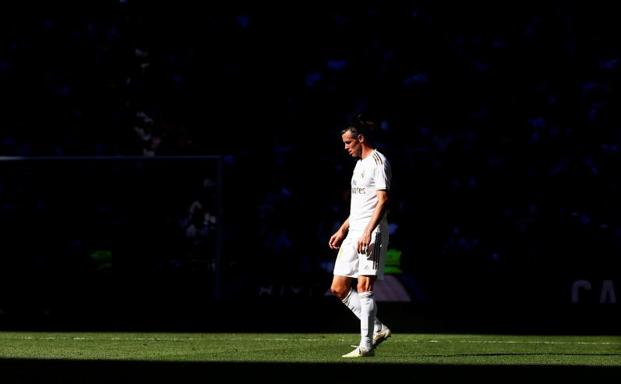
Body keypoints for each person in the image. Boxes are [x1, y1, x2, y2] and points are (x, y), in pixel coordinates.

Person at [328, 115, 393, 358]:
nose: (345, 147)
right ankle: (377, 328)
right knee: (338, 287)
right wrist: (343, 228)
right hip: (355, 230)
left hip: (371, 232)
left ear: (360, 139)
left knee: (364, 287)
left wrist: (367, 231)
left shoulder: (378, 161)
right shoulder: (359, 164)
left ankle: (366, 345)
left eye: (348, 142)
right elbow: (360, 204)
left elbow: (383, 200)